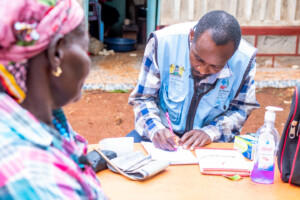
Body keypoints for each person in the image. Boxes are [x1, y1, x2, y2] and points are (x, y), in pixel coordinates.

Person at [0, 0, 107, 199]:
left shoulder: (41, 119)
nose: (88, 63)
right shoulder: (35, 180)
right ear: (56, 54)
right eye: (85, 49)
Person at [128, 10, 260, 151]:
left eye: (215, 66)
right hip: (164, 134)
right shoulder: (162, 43)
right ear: (192, 36)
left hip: (212, 140)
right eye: (198, 59)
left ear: (232, 55)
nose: (202, 70)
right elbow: (143, 98)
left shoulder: (245, 60)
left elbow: (241, 109)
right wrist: (155, 130)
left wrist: (211, 132)